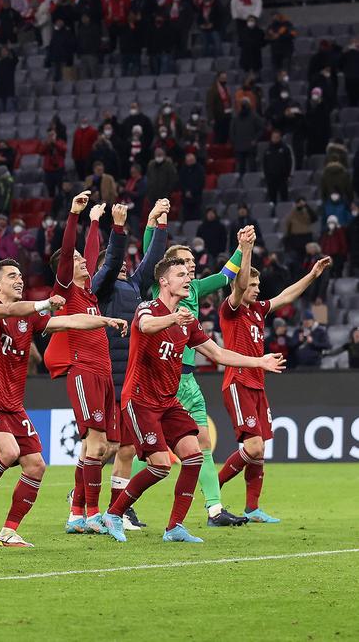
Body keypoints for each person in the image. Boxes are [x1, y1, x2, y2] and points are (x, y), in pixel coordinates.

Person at [102, 257, 286, 543]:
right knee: (161, 465)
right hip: (140, 399)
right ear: (164, 281)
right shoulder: (147, 308)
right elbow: (147, 326)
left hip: (168, 402)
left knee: (194, 455)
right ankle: (114, 513)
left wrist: (259, 361)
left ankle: (174, 527)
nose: (188, 278)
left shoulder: (188, 322)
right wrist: (173, 318)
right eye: (180, 274)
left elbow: (218, 354)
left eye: (188, 274)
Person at [0, 261, 128, 548]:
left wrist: (106, 321)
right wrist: (44, 304)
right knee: (9, 451)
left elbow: (70, 321)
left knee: (36, 466)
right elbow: (8, 311)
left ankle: (8, 532)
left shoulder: (30, 318)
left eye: (20, 275)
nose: (19, 280)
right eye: (11, 276)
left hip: (12, 403)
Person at [136, 226, 249, 527]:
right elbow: (150, 256)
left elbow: (226, 276)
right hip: (163, 379)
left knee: (203, 442)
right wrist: (155, 223)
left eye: (192, 263)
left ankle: (215, 509)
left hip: (188, 378)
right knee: (150, 449)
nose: (190, 267)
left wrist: (242, 247)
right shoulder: (157, 292)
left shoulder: (195, 288)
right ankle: (121, 500)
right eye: (184, 263)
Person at [218, 255, 331, 524]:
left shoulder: (258, 310)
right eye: (252, 284)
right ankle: (213, 487)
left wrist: (313, 275)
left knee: (260, 451)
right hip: (238, 382)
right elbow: (239, 287)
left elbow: (286, 296)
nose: (257, 289)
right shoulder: (231, 309)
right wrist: (246, 252)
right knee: (253, 447)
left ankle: (252, 508)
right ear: (239, 286)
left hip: (258, 384)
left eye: (258, 284)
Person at [45, 195, 128, 534]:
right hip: (84, 371)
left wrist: (94, 222)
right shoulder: (66, 290)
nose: (82, 261)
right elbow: (69, 253)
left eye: (83, 259)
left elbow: (91, 254)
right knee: (96, 444)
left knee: (106, 446)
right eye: (76, 260)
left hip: (104, 374)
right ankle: (92, 513)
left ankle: (76, 514)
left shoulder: (90, 292)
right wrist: (73, 215)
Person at [97, 198, 170, 531]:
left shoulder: (134, 287)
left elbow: (153, 261)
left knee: (126, 449)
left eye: (128, 263)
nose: (124, 266)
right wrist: (117, 229)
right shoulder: (101, 288)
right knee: (104, 447)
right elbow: (112, 261)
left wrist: (160, 225)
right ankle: (80, 497)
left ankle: (119, 510)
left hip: (130, 380)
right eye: (118, 264)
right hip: (108, 377)